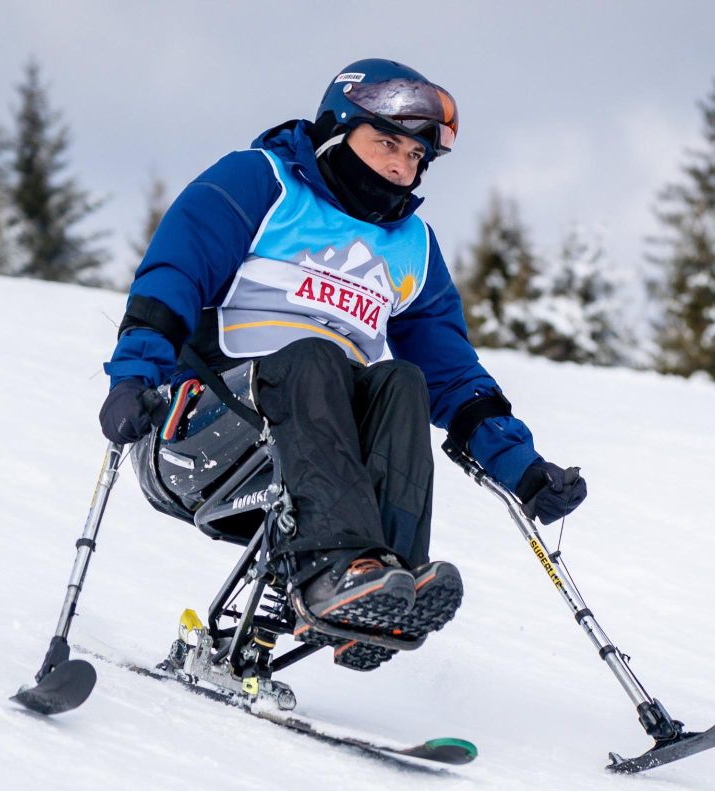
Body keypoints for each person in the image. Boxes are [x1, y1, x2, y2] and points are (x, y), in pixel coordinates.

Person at [99, 58, 587, 671]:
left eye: (416, 156)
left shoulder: (413, 246)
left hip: (318, 462)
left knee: (402, 381)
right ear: (337, 128)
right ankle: (338, 572)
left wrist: (523, 470)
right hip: (196, 435)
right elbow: (174, 274)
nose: (401, 167)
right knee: (316, 357)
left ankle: (384, 586)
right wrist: (133, 378)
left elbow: (453, 376)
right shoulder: (261, 182)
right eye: (387, 144)